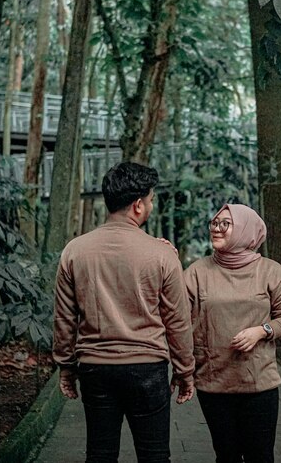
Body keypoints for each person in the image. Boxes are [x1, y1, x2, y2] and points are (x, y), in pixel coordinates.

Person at [53, 161, 195, 463]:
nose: (152, 205)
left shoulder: (75, 250)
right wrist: (185, 371)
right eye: (152, 199)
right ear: (139, 205)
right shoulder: (162, 254)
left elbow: (65, 317)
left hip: (95, 368)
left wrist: (66, 366)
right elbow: (177, 321)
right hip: (148, 368)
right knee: (155, 455)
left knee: (100, 454)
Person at [184, 203, 281, 463]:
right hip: (213, 383)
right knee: (226, 456)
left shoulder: (271, 272)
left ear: (246, 230)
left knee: (260, 456)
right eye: (214, 223)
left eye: (226, 224)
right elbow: (179, 321)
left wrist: (262, 330)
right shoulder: (196, 273)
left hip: (258, 383)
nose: (217, 229)